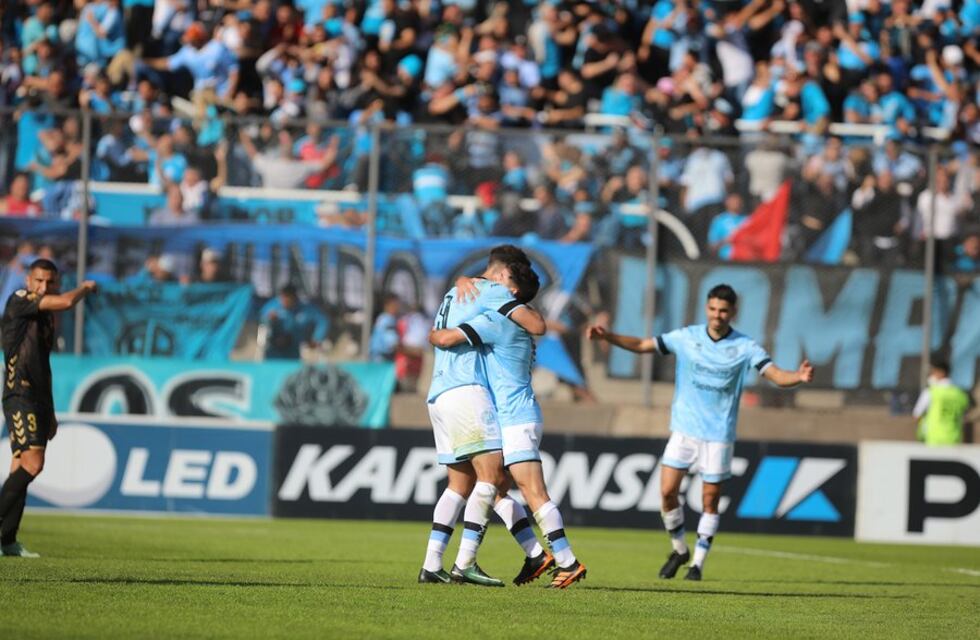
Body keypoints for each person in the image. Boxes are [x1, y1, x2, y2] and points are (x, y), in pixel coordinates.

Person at [587, 284, 814, 580]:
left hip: (718, 435)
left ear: (733, 312)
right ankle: (679, 549)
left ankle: (697, 564)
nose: (717, 315)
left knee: (709, 500)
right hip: (684, 431)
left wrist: (797, 376)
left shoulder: (745, 347)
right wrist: (610, 337)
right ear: (706, 308)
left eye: (723, 311)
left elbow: (775, 375)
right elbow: (644, 346)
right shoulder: (686, 337)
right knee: (667, 493)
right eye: (712, 309)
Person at [429, 263, 587, 589]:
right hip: (514, 414)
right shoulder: (509, 318)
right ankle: (535, 555)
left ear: (510, 291)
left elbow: (444, 338)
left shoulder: (496, 321)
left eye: (500, 277)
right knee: (498, 489)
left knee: (531, 491)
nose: (491, 279)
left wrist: (432, 331)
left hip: (516, 416)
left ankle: (567, 561)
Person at [418, 245, 546, 587]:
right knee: (491, 477)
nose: (513, 292)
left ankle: (432, 564)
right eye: (513, 282)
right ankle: (465, 564)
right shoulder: (492, 292)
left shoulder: (454, 290)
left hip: (438, 392)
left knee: (460, 485)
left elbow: (438, 335)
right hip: (466, 390)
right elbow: (536, 324)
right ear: (503, 275)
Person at [0, 260, 97, 557]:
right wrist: (85, 287)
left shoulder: (44, 320)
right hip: (20, 393)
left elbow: (45, 366)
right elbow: (68, 301)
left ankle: (7, 541)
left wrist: (51, 411)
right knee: (33, 464)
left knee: (20, 466)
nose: (44, 287)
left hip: (39, 399)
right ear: (29, 280)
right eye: (39, 281)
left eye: (50, 283)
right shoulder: (19, 299)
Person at [913, 356, 972, 446]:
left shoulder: (930, 392)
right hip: (954, 439)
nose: (930, 375)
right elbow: (966, 414)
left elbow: (917, 414)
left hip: (933, 440)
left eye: (933, 372)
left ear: (941, 373)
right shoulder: (960, 394)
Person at [258, 285, 328, 360]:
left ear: (295, 298)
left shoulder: (306, 309)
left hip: (294, 352)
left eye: (288, 299)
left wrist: (317, 338)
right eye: (283, 298)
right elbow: (261, 320)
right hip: (273, 352)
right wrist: (269, 319)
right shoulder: (272, 306)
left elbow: (322, 321)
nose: (284, 301)